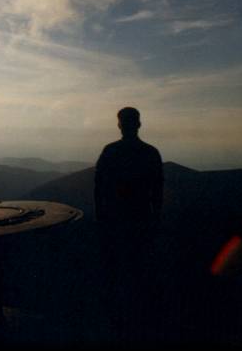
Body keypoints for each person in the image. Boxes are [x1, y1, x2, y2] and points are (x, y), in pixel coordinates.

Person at [92, 107, 164, 343]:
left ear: (120, 125)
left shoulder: (110, 152)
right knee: (138, 269)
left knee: (115, 270)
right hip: (141, 220)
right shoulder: (151, 153)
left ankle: (116, 322)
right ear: (139, 124)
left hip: (114, 221)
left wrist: (100, 217)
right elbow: (158, 192)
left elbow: (99, 188)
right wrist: (155, 220)